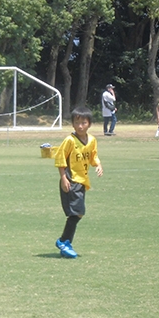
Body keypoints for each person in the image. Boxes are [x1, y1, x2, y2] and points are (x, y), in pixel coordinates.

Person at [54, 107, 103, 259]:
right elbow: (60, 159)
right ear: (73, 124)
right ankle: (63, 241)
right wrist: (63, 178)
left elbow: (93, 155)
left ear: (89, 124)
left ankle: (65, 243)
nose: (80, 126)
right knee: (77, 212)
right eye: (77, 122)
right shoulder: (69, 141)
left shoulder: (92, 140)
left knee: (77, 213)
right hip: (71, 180)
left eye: (84, 122)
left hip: (82, 181)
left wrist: (98, 165)